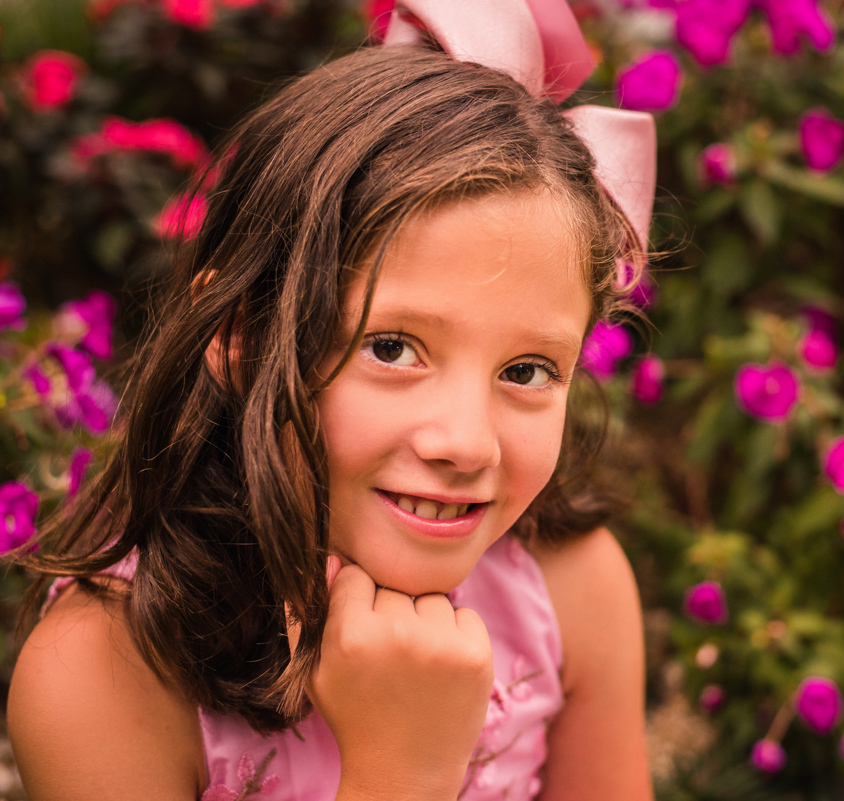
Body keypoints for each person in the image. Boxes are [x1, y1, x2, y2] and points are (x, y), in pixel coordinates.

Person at [6, 2, 658, 799]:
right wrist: (401, 772)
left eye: (526, 370)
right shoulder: (107, 673)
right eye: (391, 348)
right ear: (241, 338)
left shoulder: (573, 591)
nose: (466, 442)